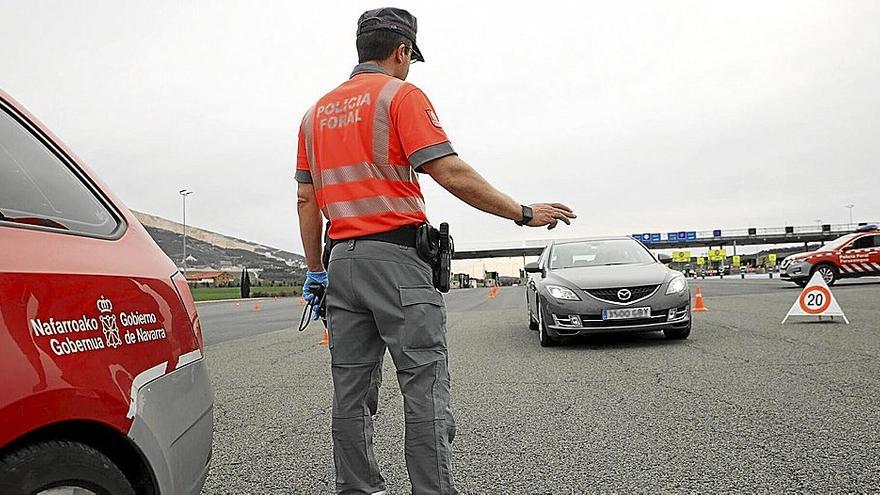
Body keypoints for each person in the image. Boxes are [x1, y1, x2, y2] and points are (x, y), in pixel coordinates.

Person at [295, 7, 576, 494]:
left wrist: (316, 270)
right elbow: (449, 170)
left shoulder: (314, 114)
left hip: (340, 262)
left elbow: (306, 198)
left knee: (351, 394)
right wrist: (523, 212)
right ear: (401, 50)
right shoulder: (400, 96)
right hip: (397, 263)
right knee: (423, 388)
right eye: (410, 58)